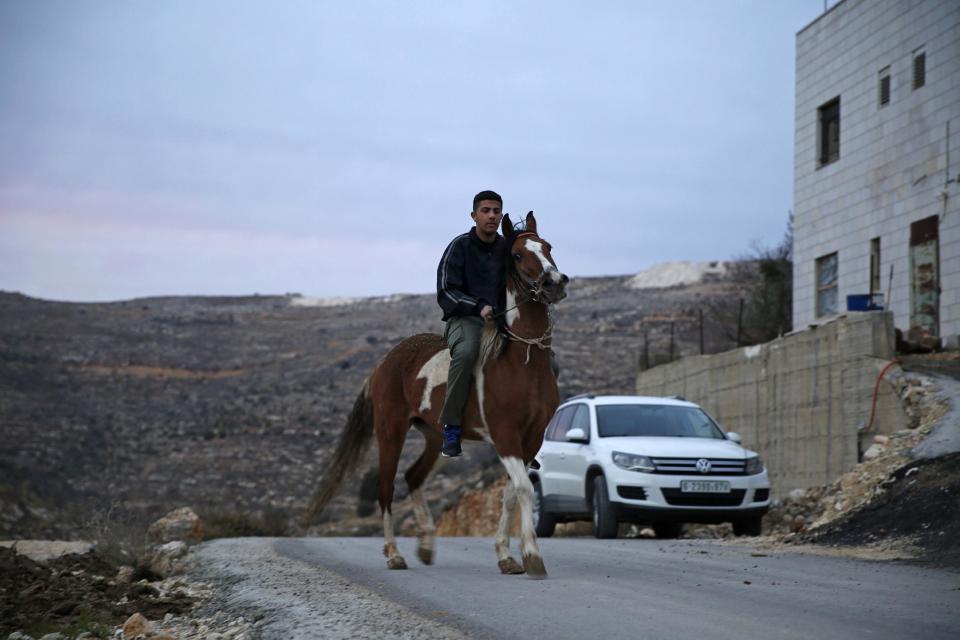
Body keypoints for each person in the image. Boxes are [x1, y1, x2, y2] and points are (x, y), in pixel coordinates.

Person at [435, 190, 506, 457]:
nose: (491, 215)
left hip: (501, 323)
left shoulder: (506, 249)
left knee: (548, 362)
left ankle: (529, 431)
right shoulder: (459, 246)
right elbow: (445, 290)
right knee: (466, 354)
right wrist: (478, 306)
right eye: (486, 210)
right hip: (464, 319)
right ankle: (452, 428)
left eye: (496, 211)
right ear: (473, 215)